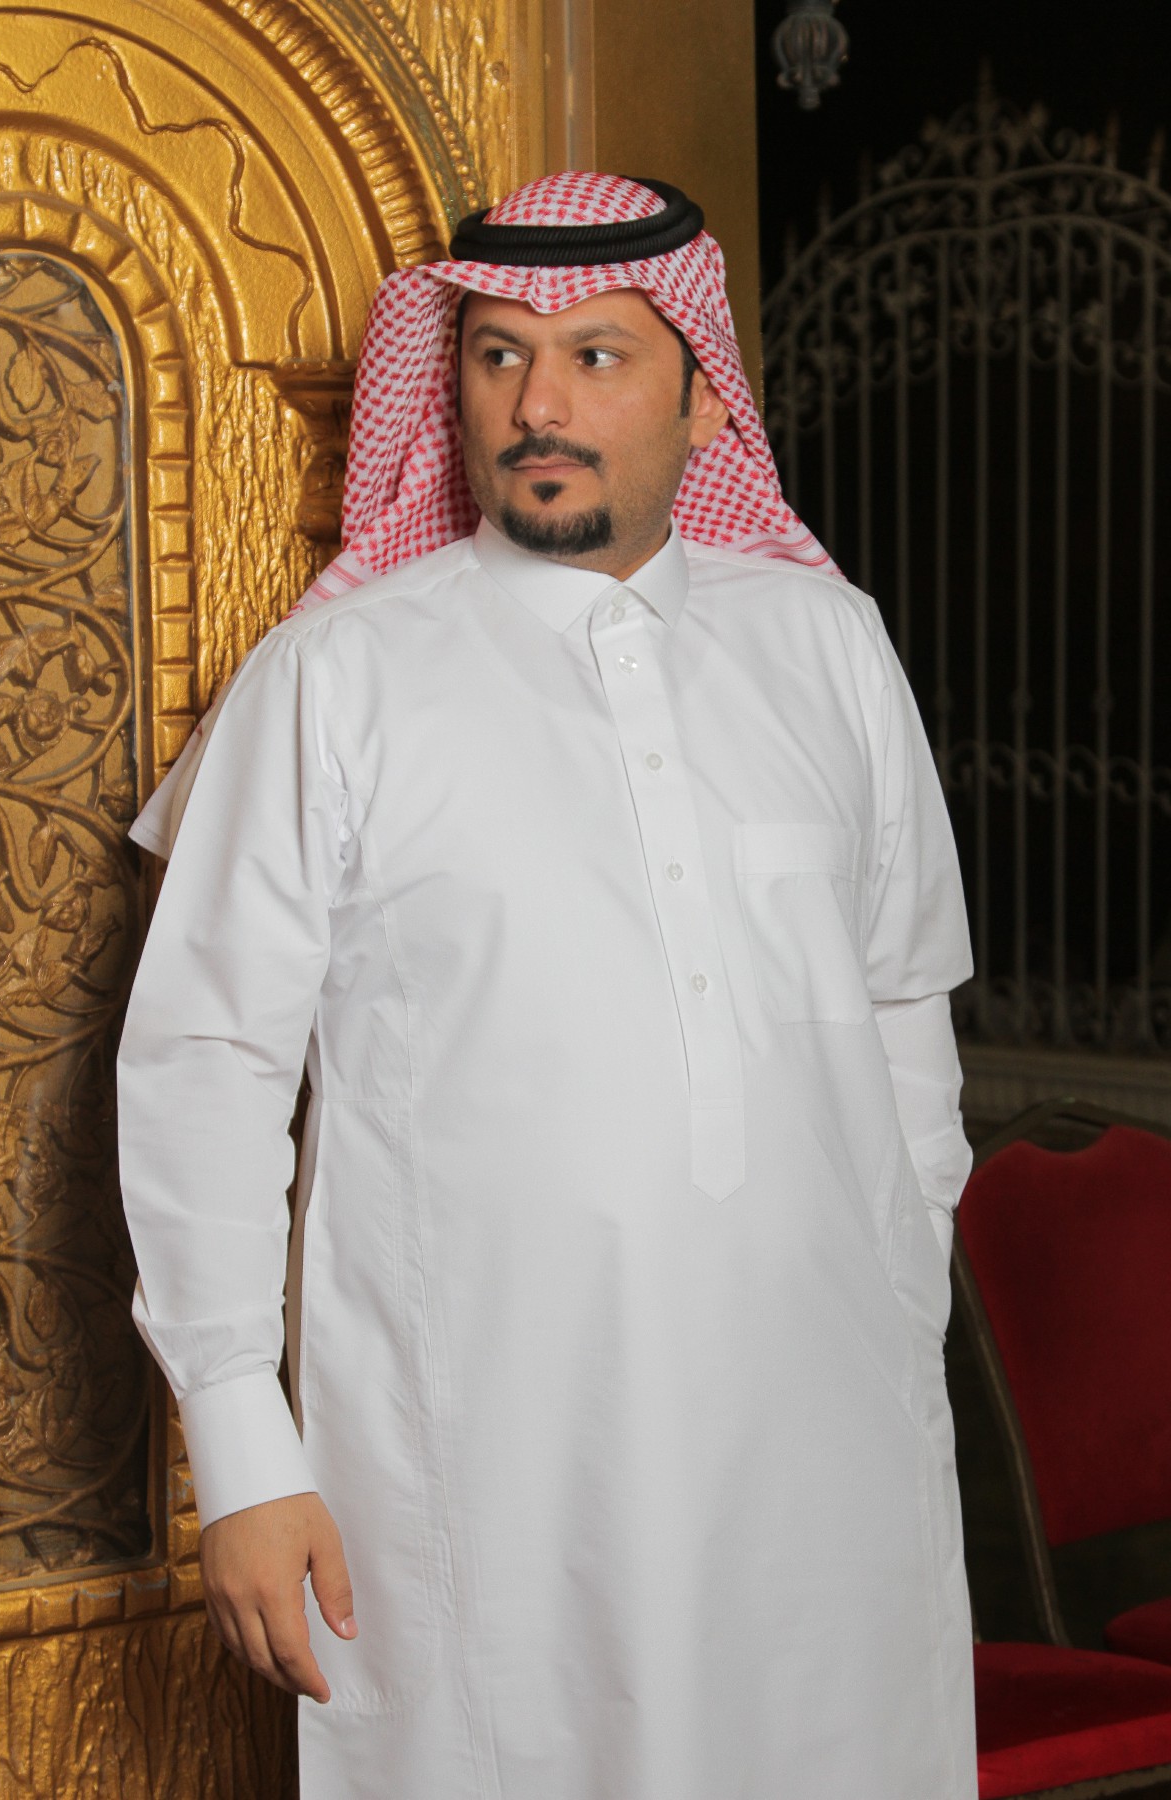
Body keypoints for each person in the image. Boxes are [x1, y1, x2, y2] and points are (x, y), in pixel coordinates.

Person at [117, 172, 977, 1800]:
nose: (539, 407)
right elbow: (205, 1061)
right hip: (486, 1464)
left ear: (703, 397)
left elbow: (899, 1004)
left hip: (828, 1452)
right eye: (499, 355)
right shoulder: (343, 675)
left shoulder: (828, 644)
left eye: (597, 356)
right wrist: (240, 1447)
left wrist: (900, 1291)